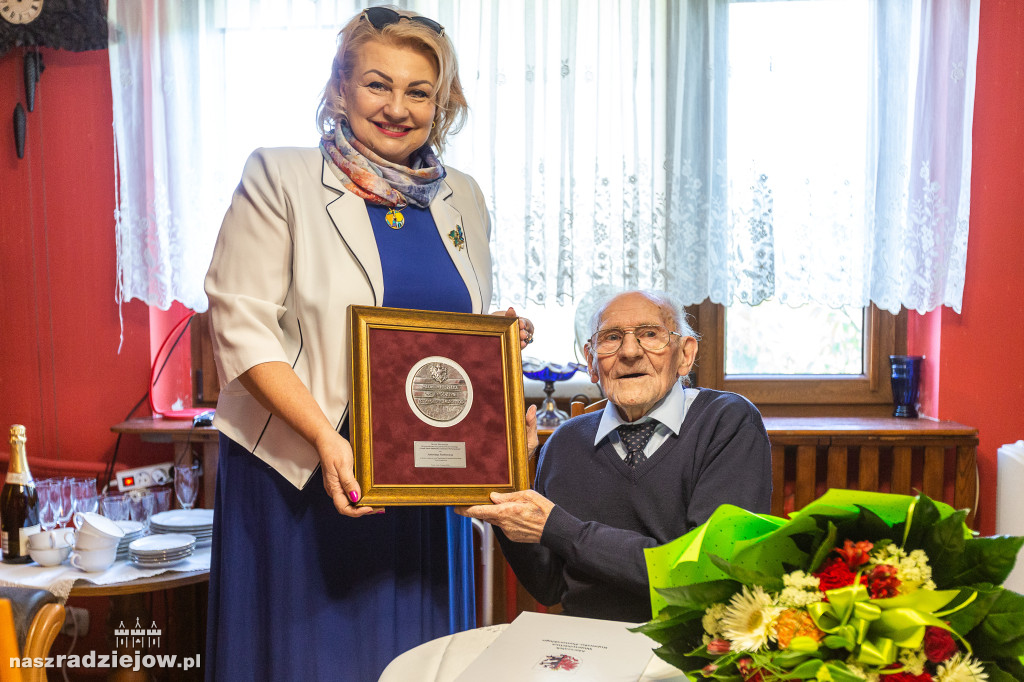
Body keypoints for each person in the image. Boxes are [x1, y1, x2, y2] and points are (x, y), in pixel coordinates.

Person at [203, 8, 534, 680]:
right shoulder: (280, 176)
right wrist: (328, 440)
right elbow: (241, 325)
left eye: (420, 92)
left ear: (443, 105)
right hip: (302, 478)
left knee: (422, 662)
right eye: (378, 85)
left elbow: (438, 329)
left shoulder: (462, 197)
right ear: (339, 91)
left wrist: (492, 343)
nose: (398, 107)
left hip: (423, 489)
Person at [458, 290, 771, 623]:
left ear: (685, 355)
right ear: (592, 363)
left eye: (651, 334)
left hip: (687, 645)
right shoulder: (565, 442)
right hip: (584, 649)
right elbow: (549, 587)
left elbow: (707, 573)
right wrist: (507, 474)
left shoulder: (728, 422)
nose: (630, 352)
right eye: (611, 338)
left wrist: (564, 530)